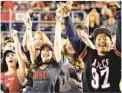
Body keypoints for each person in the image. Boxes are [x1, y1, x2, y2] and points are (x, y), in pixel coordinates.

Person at [61, 2, 121, 92]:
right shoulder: (88, 54)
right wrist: (66, 16)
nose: (102, 41)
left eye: (105, 38)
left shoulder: (116, 55)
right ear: (95, 43)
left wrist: (119, 13)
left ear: (111, 42)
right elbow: (74, 38)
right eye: (99, 39)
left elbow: (120, 34)